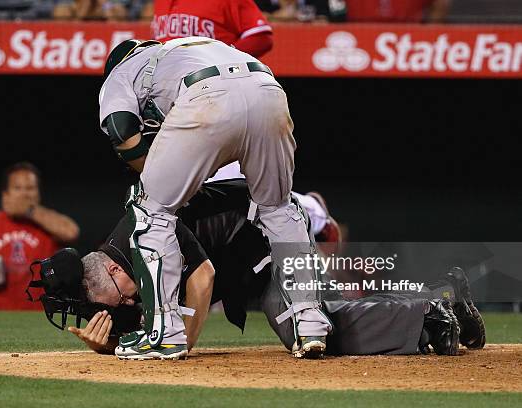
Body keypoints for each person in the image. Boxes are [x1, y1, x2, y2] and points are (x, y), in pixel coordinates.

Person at [44, 179, 484, 358]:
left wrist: (180, 344)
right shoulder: (121, 254)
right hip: (249, 250)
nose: (127, 303)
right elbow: (155, 310)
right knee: (320, 314)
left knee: (304, 331)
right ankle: (440, 299)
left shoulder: (145, 235)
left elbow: (202, 277)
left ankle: (429, 315)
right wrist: (112, 342)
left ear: (116, 274)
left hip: (269, 235)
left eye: (121, 298)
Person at [98, 37, 332, 360]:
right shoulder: (186, 48)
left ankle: (164, 332)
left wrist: (156, 182)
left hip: (207, 97)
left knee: (149, 209)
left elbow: (120, 128)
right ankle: (310, 322)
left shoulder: (120, 73)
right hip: (268, 89)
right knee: (279, 208)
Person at [0, 162, 80, 310]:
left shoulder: (48, 223)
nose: (24, 194)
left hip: (37, 314)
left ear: (38, 193)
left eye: (30, 188)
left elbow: (71, 233)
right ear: (5, 194)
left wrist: (30, 211)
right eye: (17, 188)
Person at [150, 0, 274, 58]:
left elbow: (261, 38)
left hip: (213, 82)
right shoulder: (160, 2)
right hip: (170, 82)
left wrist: (225, 57)